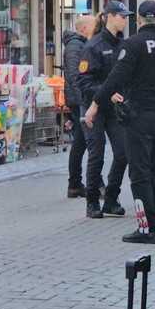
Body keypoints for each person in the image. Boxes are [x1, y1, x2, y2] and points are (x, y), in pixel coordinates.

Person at [86, 0, 155, 244]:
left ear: (138, 19)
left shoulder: (133, 44)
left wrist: (95, 103)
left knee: (139, 173)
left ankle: (147, 228)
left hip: (139, 117)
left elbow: (116, 78)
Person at [77, 1, 131, 219]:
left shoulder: (123, 44)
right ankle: (92, 200)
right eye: (122, 17)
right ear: (110, 17)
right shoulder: (94, 46)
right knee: (96, 153)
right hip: (94, 106)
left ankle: (111, 198)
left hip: (115, 108)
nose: (126, 21)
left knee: (123, 152)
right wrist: (105, 93)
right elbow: (83, 81)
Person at [62, 15, 96, 199]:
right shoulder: (75, 46)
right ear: (83, 29)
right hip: (79, 101)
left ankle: (75, 184)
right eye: (93, 26)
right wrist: (84, 99)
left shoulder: (80, 44)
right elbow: (77, 76)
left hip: (80, 100)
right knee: (85, 142)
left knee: (81, 142)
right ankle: (80, 183)